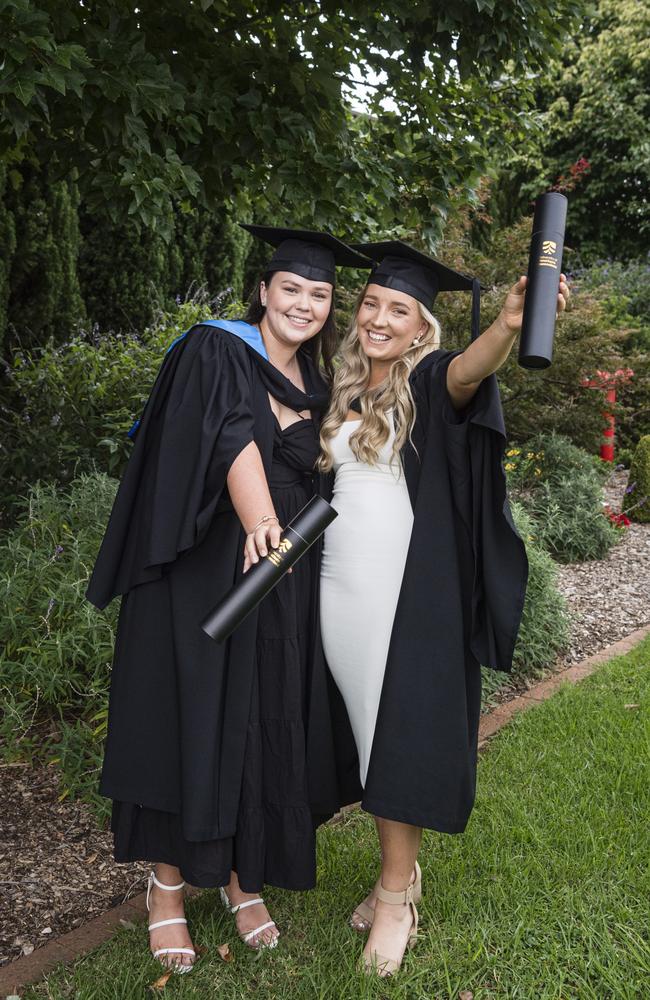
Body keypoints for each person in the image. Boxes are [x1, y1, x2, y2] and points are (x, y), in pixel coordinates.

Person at [86, 226, 367, 973]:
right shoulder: (217, 348)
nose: (304, 304)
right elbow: (228, 435)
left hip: (281, 579)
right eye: (292, 289)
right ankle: (168, 888)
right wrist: (260, 522)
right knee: (189, 716)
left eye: (319, 294)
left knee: (261, 716)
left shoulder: (321, 384)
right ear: (265, 290)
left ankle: (244, 878)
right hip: (204, 569)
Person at [318, 240, 570, 976]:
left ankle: (397, 900)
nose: (378, 317)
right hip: (337, 591)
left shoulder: (427, 378)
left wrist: (507, 326)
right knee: (370, 739)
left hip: (403, 591)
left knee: (398, 740)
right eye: (370, 303)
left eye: (399, 309)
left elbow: (466, 376)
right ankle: (394, 875)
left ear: (422, 325)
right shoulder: (343, 387)